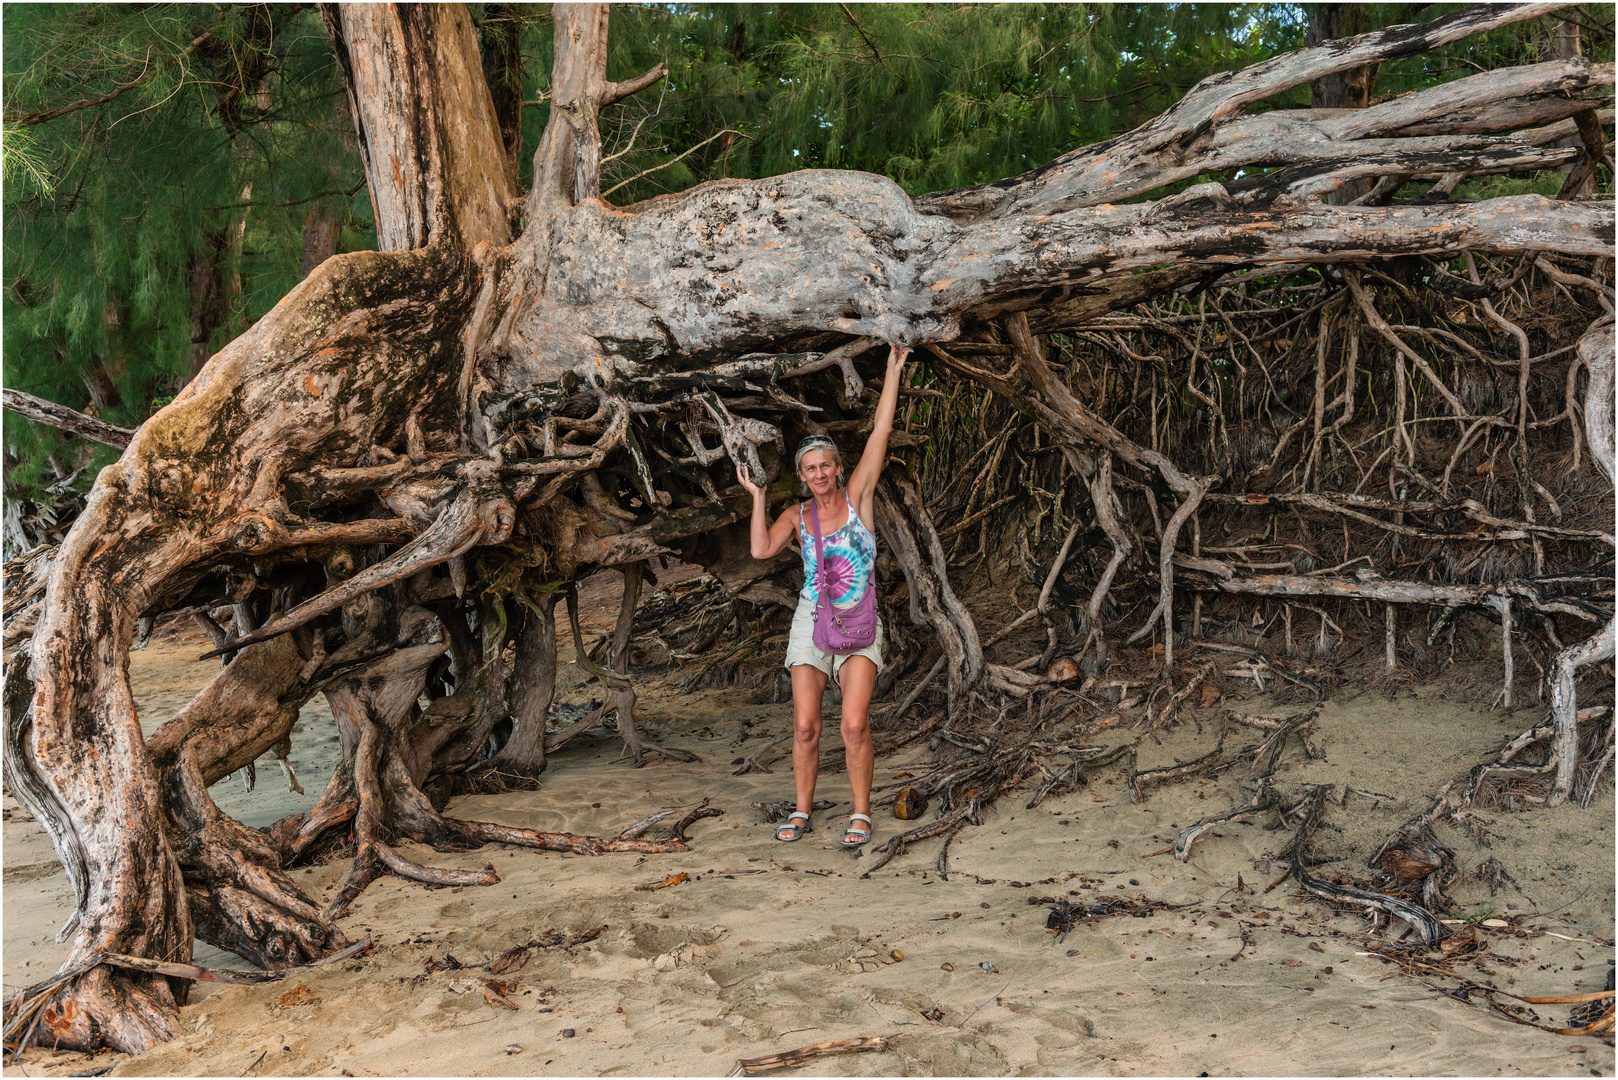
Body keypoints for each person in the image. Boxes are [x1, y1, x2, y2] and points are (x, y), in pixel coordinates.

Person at [737, 342, 911, 849]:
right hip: (812, 619)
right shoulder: (797, 516)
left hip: (859, 618)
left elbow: (880, 430)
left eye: (825, 466)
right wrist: (760, 497)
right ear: (804, 476)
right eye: (809, 469)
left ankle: (861, 813)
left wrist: (894, 369)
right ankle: (802, 810)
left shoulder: (859, 496)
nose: (818, 475)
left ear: (837, 467)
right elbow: (761, 549)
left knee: (854, 725)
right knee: (806, 725)